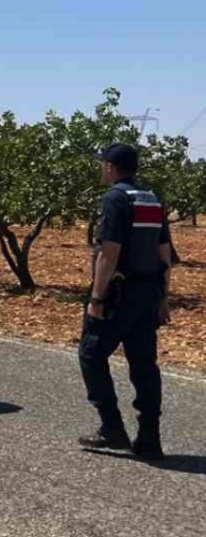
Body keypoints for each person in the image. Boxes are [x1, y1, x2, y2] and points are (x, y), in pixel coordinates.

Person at [77, 143, 172, 460]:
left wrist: (97, 296)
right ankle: (149, 438)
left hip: (120, 293)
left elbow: (110, 250)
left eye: (102, 164)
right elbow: (164, 254)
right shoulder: (152, 199)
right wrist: (163, 298)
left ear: (110, 166)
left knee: (91, 353)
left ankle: (111, 428)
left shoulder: (115, 198)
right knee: (144, 364)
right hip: (148, 292)